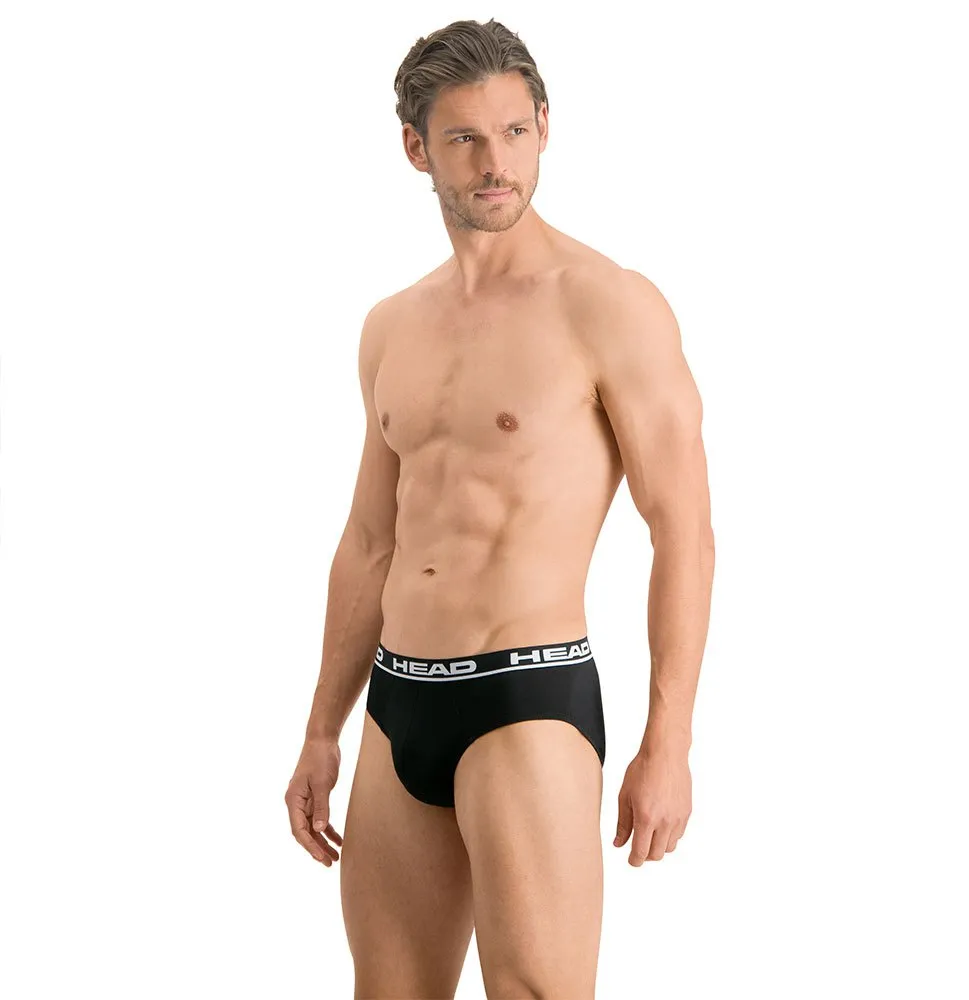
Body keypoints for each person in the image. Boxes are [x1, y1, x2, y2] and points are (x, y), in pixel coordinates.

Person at [284, 17, 714, 1000]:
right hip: (396, 704)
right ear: (416, 148)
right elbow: (370, 541)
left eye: (515, 132)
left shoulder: (607, 305)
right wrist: (321, 729)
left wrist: (670, 742)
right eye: (466, 138)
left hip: (527, 699)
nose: (495, 163)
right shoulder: (391, 325)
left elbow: (683, 530)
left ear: (545, 127)